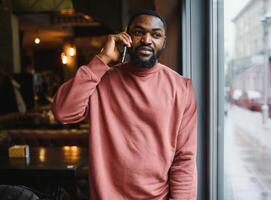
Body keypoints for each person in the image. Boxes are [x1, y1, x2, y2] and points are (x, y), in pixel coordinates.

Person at [52, 10, 197, 200]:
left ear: (164, 42)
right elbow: (63, 112)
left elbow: (184, 158)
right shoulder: (101, 80)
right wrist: (102, 58)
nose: (146, 40)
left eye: (155, 34)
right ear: (126, 36)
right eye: (139, 32)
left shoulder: (181, 87)